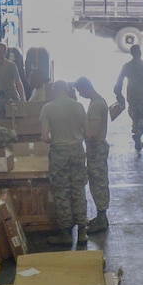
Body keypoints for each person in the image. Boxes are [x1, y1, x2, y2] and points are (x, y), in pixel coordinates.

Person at [39, 80, 91, 244]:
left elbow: (45, 137)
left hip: (59, 153)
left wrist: (55, 138)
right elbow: (87, 132)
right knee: (78, 190)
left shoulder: (48, 108)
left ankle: (66, 234)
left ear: (54, 91)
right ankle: (83, 232)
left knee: (61, 193)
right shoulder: (79, 106)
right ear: (68, 91)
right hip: (77, 151)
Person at [73, 77, 110, 233]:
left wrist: (78, 133)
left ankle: (102, 218)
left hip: (96, 147)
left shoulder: (96, 105)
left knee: (98, 182)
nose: (80, 95)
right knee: (98, 181)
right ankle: (101, 216)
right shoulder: (97, 102)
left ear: (86, 88)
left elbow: (93, 132)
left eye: (80, 91)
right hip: (96, 148)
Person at [113, 44, 143, 153]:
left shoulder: (127, 66)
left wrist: (119, 95)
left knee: (135, 116)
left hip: (131, 95)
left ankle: (137, 141)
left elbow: (119, 82)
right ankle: (138, 134)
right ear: (140, 53)